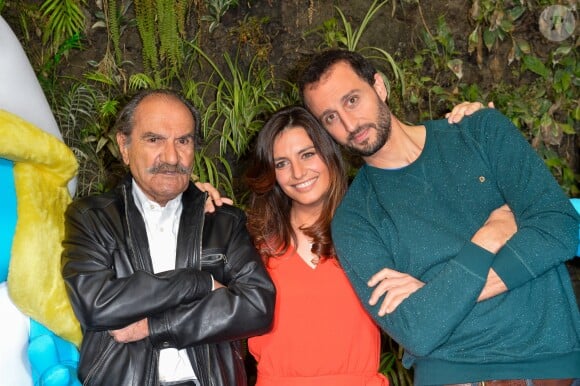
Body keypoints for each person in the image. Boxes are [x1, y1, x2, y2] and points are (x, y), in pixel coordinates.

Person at [298, 49, 580, 385]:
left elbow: (560, 227)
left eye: (352, 100)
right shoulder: (354, 219)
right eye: (329, 117)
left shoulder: (479, 132)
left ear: (379, 86)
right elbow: (414, 329)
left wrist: (433, 291)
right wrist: (486, 239)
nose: (348, 124)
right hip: (453, 374)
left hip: (548, 363)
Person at [61, 89, 276, 386]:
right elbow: (96, 303)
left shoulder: (222, 221)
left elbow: (257, 307)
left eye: (183, 141)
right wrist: (197, 282)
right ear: (124, 146)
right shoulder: (92, 218)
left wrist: (155, 326)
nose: (172, 157)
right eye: (154, 140)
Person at [245, 105, 389, 386]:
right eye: (281, 163)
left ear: (330, 154)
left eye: (308, 154)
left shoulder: (374, 230)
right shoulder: (253, 243)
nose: (298, 173)